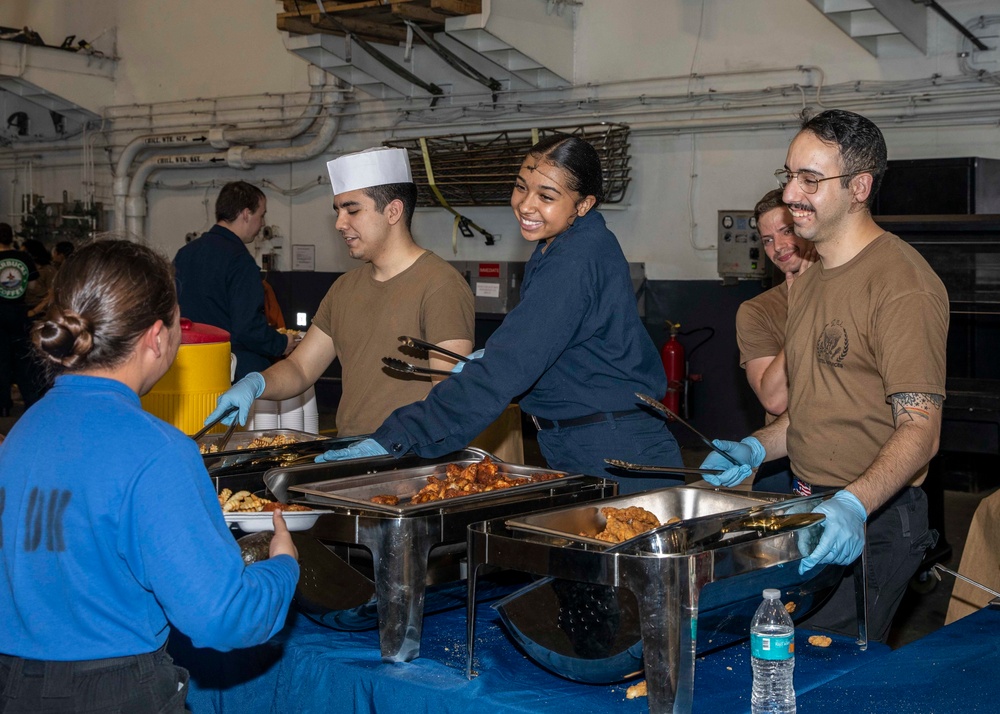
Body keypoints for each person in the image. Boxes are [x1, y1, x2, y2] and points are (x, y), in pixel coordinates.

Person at [0, 240, 299, 712]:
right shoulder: (158, 452)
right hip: (114, 693)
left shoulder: (22, 434)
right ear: (157, 337)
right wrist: (282, 568)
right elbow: (222, 616)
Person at [314, 136, 684, 494]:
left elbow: (508, 368)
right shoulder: (559, 246)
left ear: (583, 204)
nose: (525, 204)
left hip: (616, 452)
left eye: (547, 196)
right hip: (585, 442)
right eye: (522, 187)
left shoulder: (575, 258)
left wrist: (397, 437)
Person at [701, 109, 947, 642]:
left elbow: (921, 431)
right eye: (788, 175)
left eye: (810, 180)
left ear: (859, 186)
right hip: (807, 504)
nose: (791, 193)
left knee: (828, 673)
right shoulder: (810, 282)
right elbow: (808, 412)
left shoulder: (902, 283)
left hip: (872, 520)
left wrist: (853, 505)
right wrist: (754, 448)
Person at [208, 147, 474, 438]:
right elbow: (300, 368)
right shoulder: (344, 289)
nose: (339, 223)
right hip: (349, 455)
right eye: (337, 211)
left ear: (393, 211)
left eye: (353, 210)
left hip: (412, 465)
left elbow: (447, 397)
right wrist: (257, 383)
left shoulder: (441, 285)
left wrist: (389, 443)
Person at [735, 189, 816, 492]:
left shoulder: (846, 291)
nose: (778, 247)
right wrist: (799, 312)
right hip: (782, 459)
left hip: (842, 458)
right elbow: (775, 399)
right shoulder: (757, 311)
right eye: (767, 240)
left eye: (787, 231)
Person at [174, 181, 295, 381]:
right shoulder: (240, 260)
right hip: (229, 369)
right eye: (261, 215)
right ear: (246, 214)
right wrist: (281, 343)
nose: (263, 223)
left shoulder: (184, 254)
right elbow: (247, 328)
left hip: (187, 366)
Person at [0, 222, 39, 416]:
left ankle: (3, 405)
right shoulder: (23, 258)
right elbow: (31, 287)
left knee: (1, 360)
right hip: (19, 312)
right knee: (24, 359)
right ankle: (31, 402)